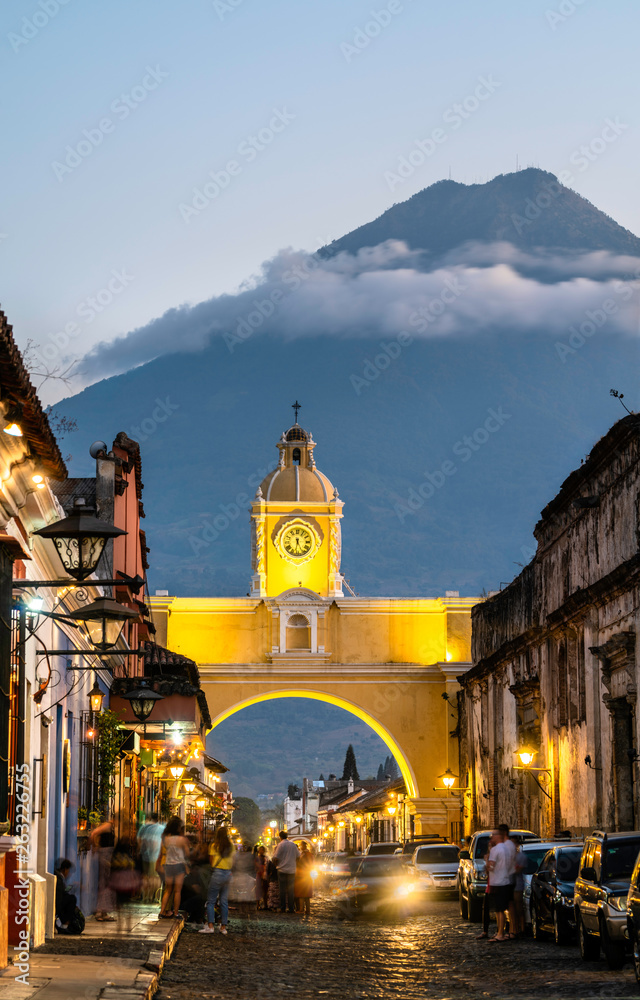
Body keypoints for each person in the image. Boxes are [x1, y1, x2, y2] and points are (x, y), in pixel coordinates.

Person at [200, 826, 234, 935]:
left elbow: (211, 860)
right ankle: (223, 927)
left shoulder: (214, 846)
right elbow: (233, 860)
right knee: (224, 901)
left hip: (218, 873)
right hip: (228, 874)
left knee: (211, 901)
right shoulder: (231, 846)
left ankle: (210, 926)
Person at [486, 824, 516, 942]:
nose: (491, 838)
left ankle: (500, 933)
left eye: (493, 835)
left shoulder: (495, 849)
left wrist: (486, 861)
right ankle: (501, 932)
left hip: (498, 882)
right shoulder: (507, 849)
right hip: (506, 880)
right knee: (502, 908)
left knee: (499, 910)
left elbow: (491, 866)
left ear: (498, 836)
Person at [109, 835, 142, 932]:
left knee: (120, 904)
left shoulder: (116, 855)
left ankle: (120, 925)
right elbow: (136, 865)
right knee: (127, 904)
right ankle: (127, 924)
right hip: (127, 882)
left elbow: (113, 867)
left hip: (118, 882)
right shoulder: (129, 855)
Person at [160, 816, 190, 919]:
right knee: (177, 891)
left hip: (168, 865)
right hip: (179, 865)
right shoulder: (182, 839)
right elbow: (187, 853)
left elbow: (162, 850)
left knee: (168, 890)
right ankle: (176, 913)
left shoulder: (166, 839)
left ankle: (162, 911)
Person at [90, 817, 116, 921]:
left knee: (106, 884)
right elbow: (94, 833)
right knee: (104, 884)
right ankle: (100, 911)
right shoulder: (108, 825)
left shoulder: (111, 827)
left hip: (107, 856)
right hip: (105, 856)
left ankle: (103, 912)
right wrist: (94, 846)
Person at [476, 831, 499, 940]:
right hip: (490, 885)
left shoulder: (494, 855)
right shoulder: (491, 855)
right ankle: (486, 931)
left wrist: (487, 862)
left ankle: (498, 931)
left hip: (495, 884)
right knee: (487, 908)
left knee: (498, 909)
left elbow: (490, 869)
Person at [137, 812, 165, 903]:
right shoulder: (161, 828)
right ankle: (154, 897)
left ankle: (145, 897)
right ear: (158, 819)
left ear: (150, 818)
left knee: (145, 877)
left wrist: (141, 850)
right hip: (156, 855)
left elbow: (139, 840)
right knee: (155, 877)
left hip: (144, 854)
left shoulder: (144, 827)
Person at [273, 831, 300, 914]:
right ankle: (291, 908)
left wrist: (276, 865)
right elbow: (298, 856)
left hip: (281, 870)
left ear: (280, 837)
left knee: (282, 890)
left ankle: (283, 908)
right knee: (291, 890)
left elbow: (275, 858)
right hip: (292, 870)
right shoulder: (293, 845)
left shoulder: (280, 845)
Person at [230, 842, 257, 919]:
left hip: (243, 877)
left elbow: (234, 865)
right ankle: (248, 911)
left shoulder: (238, 856)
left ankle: (244, 911)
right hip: (246, 876)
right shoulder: (250, 856)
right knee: (247, 894)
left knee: (243, 895)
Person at [54, 859, 78, 932]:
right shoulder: (58, 878)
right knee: (72, 899)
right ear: (65, 869)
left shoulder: (59, 876)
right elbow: (61, 894)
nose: (69, 874)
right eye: (69, 871)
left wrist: (71, 886)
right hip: (57, 904)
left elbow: (63, 891)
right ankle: (65, 924)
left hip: (58, 902)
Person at [511, 836, 526, 938]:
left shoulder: (521, 856)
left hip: (517, 885)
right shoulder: (508, 856)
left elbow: (519, 870)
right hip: (510, 884)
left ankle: (522, 928)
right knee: (512, 909)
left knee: (519, 908)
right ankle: (514, 929)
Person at [294, 842, 314, 916]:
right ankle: (307, 910)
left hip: (302, 875)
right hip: (307, 875)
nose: (300, 847)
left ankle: (301, 909)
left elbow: (304, 864)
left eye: (301, 845)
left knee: (301, 893)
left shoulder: (305, 855)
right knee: (306, 893)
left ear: (303, 846)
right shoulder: (309, 854)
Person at [254, 845, 268, 910]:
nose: (261, 851)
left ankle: (265, 904)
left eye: (263, 850)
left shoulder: (266, 858)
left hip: (264, 875)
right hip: (259, 874)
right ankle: (258, 904)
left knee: (265, 890)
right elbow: (256, 866)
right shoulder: (257, 858)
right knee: (258, 889)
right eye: (260, 850)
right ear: (258, 851)